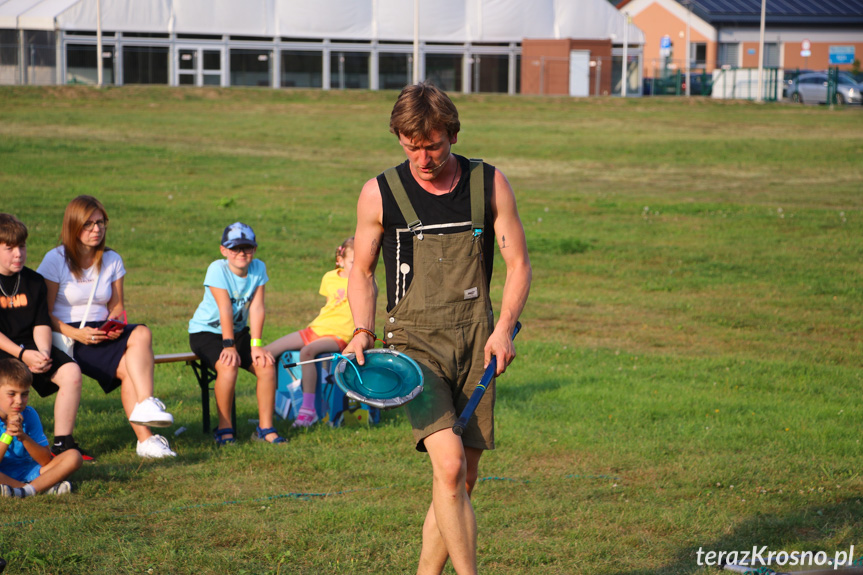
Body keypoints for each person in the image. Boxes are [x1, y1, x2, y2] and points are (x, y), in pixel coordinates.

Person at [345, 82, 531, 575]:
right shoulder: (379, 192)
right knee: (447, 467)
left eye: (433, 145)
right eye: (412, 147)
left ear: (451, 133)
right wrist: (362, 329)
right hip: (414, 346)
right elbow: (361, 272)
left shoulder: (488, 183)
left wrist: (504, 328)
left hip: (477, 340)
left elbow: (518, 266)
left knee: (462, 480)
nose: (423, 158)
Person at [37, 196, 176, 459]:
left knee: (141, 334)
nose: (96, 229)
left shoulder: (112, 259)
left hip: (102, 328)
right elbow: (44, 312)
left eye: (100, 223)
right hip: (68, 334)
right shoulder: (55, 260)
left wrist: (116, 325)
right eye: (88, 224)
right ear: (73, 226)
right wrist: (77, 333)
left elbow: (117, 305)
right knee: (128, 371)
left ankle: (146, 410)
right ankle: (145, 439)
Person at [0, 214, 87, 459]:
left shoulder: (34, 281)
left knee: (71, 372)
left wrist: (44, 354)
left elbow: (41, 322)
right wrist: (22, 354)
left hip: (31, 347)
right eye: (10, 248)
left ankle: (63, 443)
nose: (18, 254)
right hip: (6, 350)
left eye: (22, 247)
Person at [188, 222, 282, 445]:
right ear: (224, 250)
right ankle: (224, 429)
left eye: (247, 248)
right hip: (206, 333)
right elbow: (224, 308)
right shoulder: (217, 269)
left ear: (255, 249)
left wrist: (256, 345)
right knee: (228, 366)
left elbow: (258, 308)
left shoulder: (259, 268)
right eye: (235, 248)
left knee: (266, 365)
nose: (241, 253)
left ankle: (265, 429)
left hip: (238, 333)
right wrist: (228, 345)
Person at [265, 237, 355, 427]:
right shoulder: (329, 277)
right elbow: (331, 306)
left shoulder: (365, 281)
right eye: (352, 262)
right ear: (340, 259)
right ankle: (269, 406)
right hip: (316, 328)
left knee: (307, 352)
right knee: (266, 353)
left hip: (339, 334)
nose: (356, 267)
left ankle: (308, 411)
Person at [0, 358, 83, 497]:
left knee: (74, 456)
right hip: (3, 474)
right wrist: (8, 435)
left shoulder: (30, 414)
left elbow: (45, 460)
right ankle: (38, 488)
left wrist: (23, 437)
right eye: (12, 394)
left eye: (24, 394)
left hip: (32, 471)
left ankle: (25, 491)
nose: (19, 401)